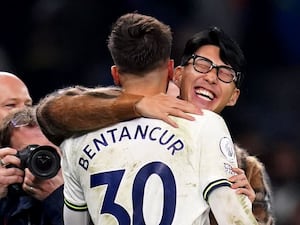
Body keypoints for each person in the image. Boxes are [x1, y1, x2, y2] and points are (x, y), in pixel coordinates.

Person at [38, 13, 258, 224]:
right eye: (202, 65)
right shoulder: (204, 124)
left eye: (224, 73)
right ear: (172, 70)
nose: (210, 77)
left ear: (115, 74)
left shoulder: (76, 141)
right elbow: (233, 218)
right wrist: (239, 205)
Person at [0, 107, 64, 225]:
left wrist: (57, 197)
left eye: (50, 151)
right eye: (32, 152)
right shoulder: (9, 203)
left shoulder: (87, 194)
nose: (43, 160)